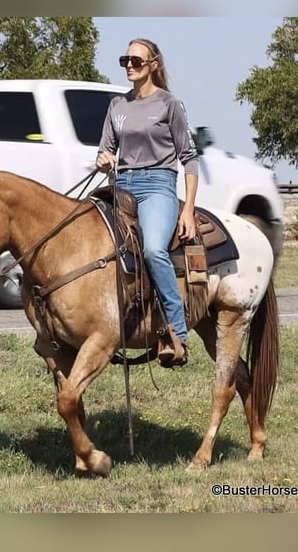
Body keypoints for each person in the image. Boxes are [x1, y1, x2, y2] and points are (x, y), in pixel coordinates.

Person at [96, 37, 199, 368]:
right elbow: (104, 149)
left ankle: (176, 332)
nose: (129, 65)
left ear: (153, 64)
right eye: (125, 60)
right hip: (121, 185)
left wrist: (188, 209)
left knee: (154, 250)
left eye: (136, 61)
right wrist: (103, 158)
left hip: (157, 186)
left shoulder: (169, 104)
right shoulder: (117, 106)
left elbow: (190, 159)